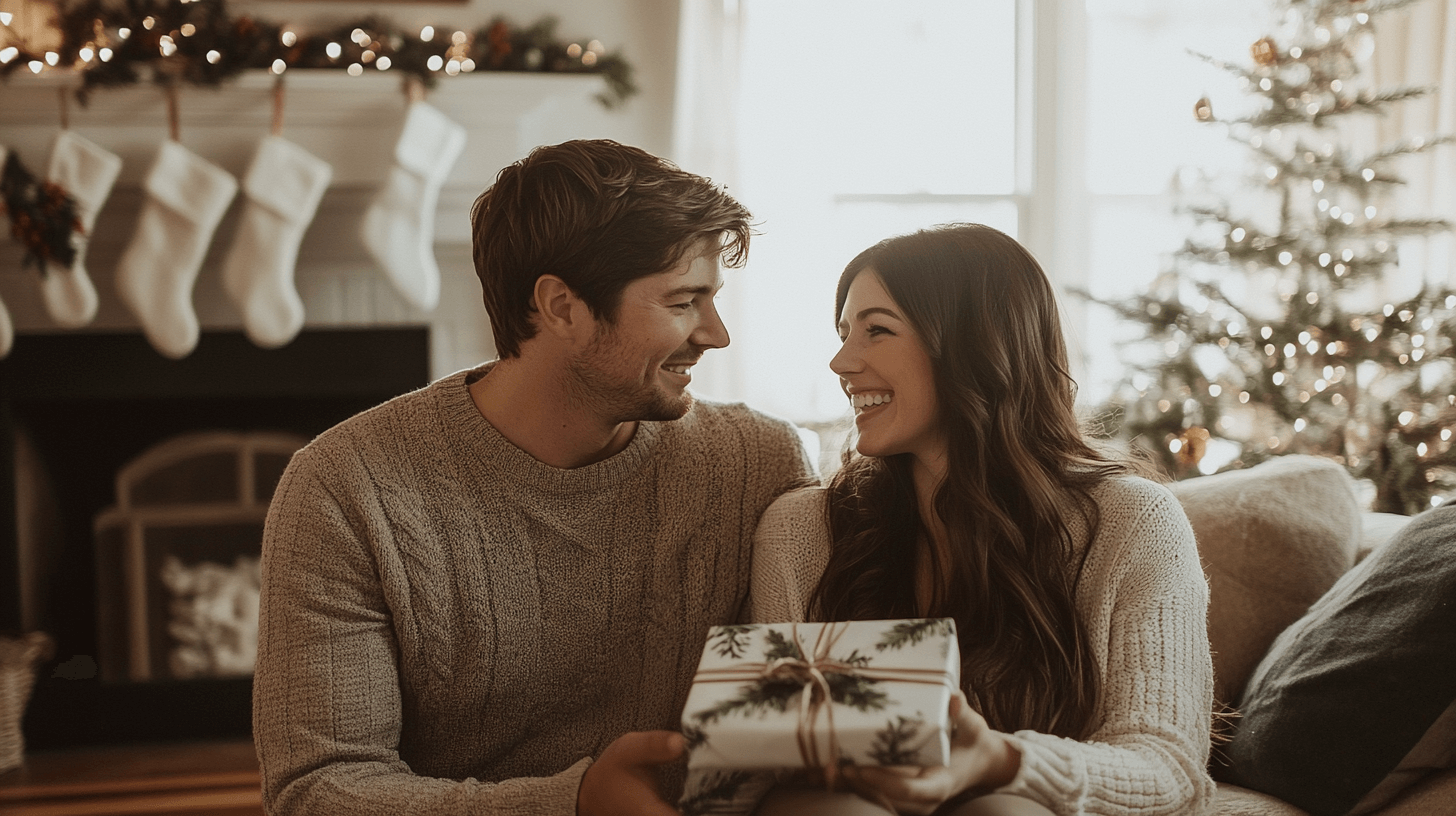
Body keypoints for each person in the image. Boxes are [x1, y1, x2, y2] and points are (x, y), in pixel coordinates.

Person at [252, 139, 815, 816]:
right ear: (561, 307)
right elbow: (316, 791)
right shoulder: (347, 487)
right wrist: (570, 803)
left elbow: (802, 726)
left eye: (712, 298)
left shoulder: (759, 464)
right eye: (683, 301)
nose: (717, 334)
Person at [748, 224, 1216, 815]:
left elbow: (1168, 767)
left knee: (1002, 809)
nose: (842, 361)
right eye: (844, 333)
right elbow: (766, 757)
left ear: (973, 345)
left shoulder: (1132, 522)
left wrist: (1003, 761)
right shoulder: (800, 530)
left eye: (877, 331)